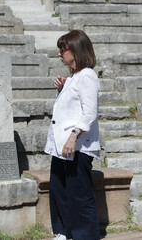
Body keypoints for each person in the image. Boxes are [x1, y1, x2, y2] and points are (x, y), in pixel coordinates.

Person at [44, 30, 101, 240]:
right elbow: (70, 109)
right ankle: (63, 233)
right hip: (62, 148)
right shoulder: (75, 77)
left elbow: (89, 113)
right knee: (60, 191)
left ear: (76, 50)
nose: (60, 54)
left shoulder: (87, 76)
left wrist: (74, 135)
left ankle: (84, 236)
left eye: (63, 49)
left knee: (79, 196)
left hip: (76, 147)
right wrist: (62, 91)